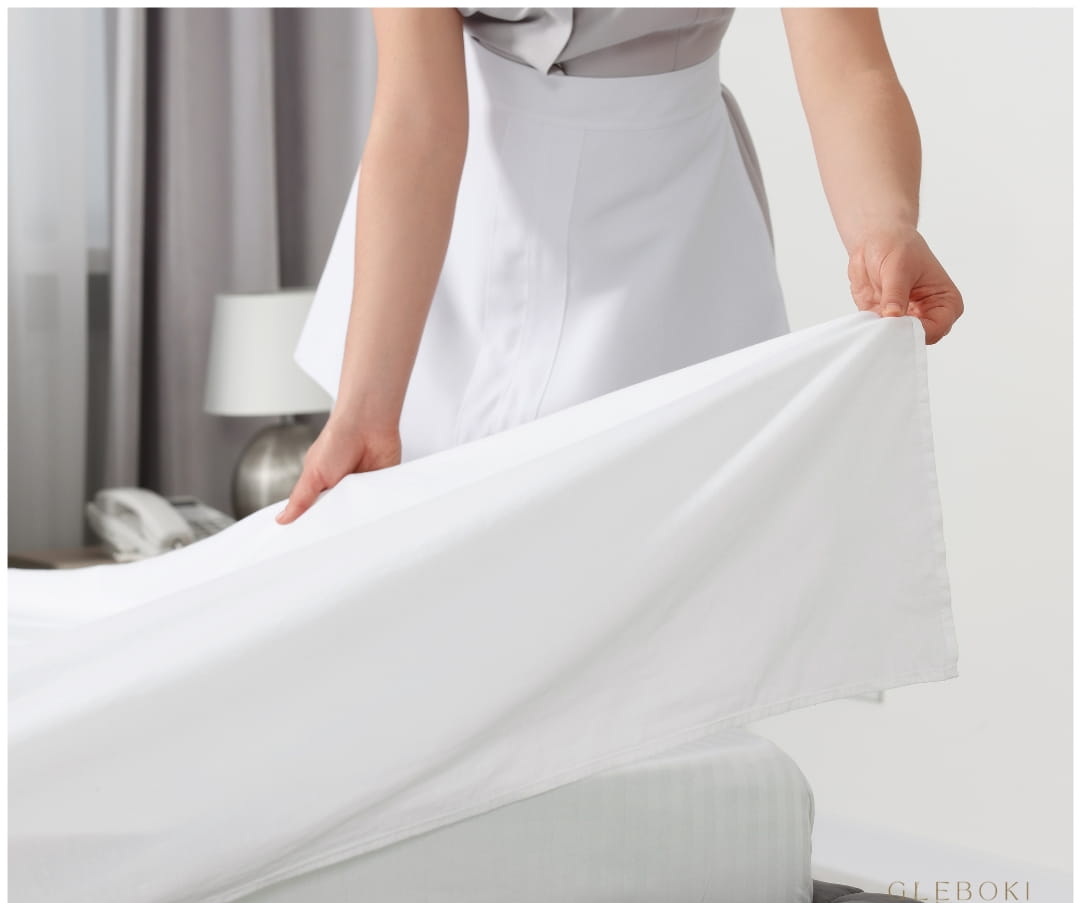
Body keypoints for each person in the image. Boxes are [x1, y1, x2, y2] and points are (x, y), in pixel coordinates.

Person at [277, 7, 963, 526]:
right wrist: (367, 408)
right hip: (451, 235)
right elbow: (417, 115)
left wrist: (883, 226)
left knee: (643, 559)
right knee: (433, 576)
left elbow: (846, 59)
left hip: (663, 232)